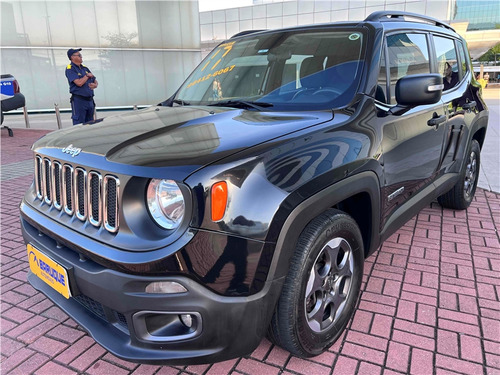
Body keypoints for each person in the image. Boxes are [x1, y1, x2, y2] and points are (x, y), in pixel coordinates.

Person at [65, 48, 98, 125]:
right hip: (79, 101)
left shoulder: (85, 68)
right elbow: (79, 83)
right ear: (72, 57)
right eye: (79, 55)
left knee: (90, 123)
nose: (81, 57)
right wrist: (87, 76)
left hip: (89, 100)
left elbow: (94, 79)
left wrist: (95, 84)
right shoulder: (70, 69)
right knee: (79, 124)